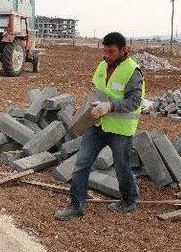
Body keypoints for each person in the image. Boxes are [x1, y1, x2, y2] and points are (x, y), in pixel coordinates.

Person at [55, 32, 145, 220]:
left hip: (120, 130)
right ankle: (76, 205)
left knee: (122, 167)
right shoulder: (102, 65)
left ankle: (129, 200)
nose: (107, 55)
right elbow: (97, 92)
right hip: (97, 124)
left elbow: (135, 102)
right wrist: (85, 107)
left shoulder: (133, 71)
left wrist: (110, 106)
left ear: (124, 50)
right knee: (81, 164)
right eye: (104, 51)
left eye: (111, 51)